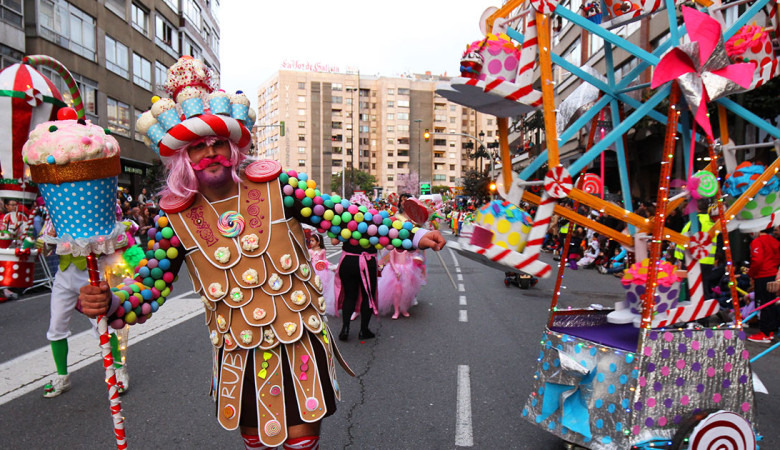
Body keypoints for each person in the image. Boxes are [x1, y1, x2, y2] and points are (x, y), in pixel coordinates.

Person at [78, 57, 446, 450]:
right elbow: (149, 288)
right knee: (257, 441)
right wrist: (112, 302)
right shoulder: (173, 218)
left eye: (219, 142)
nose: (211, 152)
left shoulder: (277, 185)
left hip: (300, 340)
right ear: (183, 157)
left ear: (233, 145)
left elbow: (346, 218)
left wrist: (411, 234)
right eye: (198, 147)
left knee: (303, 440)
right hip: (239, 354)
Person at [746, 226, 780, 343]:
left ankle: (765, 333)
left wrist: (751, 273)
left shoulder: (757, 241)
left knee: (762, 304)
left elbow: (757, 260)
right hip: (774, 275)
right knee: (770, 303)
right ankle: (769, 331)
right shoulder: (775, 241)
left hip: (762, 276)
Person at [307, 233, 336, 316]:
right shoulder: (310, 251)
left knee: (323, 287)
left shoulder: (322, 250)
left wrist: (329, 265)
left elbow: (324, 260)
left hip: (322, 270)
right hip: (313, 269)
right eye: (310, 241)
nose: (311, 242)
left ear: (318, 242)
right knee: (314, 287)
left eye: (312, 241)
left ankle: (323, 304)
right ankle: (313, 304)